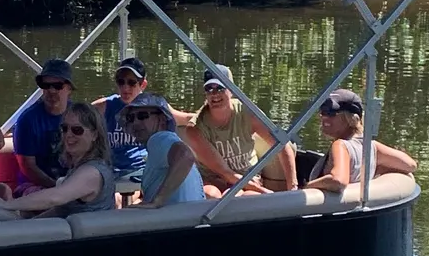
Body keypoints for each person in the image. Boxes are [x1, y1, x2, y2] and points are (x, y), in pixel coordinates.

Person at [179, 68, 294, 196]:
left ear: (231, 90)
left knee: (242, 197)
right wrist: (268, 193)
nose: (215, 94)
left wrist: (293, 189)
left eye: (220, 88)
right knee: (211, 195)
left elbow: (282, 144)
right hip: (214, 180)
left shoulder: (248, 113)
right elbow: (225, 173)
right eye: (209, 89)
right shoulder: (195, 129)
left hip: (249, 178)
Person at [0, 102, 114, 214]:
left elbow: (56, 197)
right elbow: (60, 209)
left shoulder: (91, 172)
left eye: (77, 130)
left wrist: (6, 204)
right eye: (64, 129)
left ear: (94, 135)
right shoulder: (79, 168)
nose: (68, 135)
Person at [306, 89, 416, 193]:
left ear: (350, 118)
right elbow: (410, 165)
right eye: (322, 111)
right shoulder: (371, 146)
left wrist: (306, 188)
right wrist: (378, 168)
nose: (323, 117)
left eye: (330, 113)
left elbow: (338, 181)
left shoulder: (340, 145)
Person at [127, 94, 207, 208]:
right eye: (130, 118)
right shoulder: (168, 142)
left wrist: (157, 201)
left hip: (175, 223)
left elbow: (185, 156)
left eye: (142, 115)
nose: (135, 123)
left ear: (162, 119)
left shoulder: (159, 138)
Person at [8, 57, 76, 188]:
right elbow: (28, 167)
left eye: (57, 86)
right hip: (33, 185)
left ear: (69, 89)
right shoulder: (27, 120)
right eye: (46, 85)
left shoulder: (79, 116)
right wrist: (58, 189)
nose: (51, 91)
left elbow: (91, 156)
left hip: (71, 184)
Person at [99, 56, 153, 183]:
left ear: (143, 84)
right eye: (121, 82)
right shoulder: (105, 106)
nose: (125, 88)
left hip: (142, 170)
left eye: (131, 83)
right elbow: (78, 116)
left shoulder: (153, 107)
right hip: (112, 170)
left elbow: (183, 119)